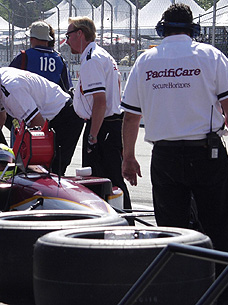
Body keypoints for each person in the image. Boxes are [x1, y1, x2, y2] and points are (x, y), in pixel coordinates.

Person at [120, 4, 228, 305]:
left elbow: (130, 117)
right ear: (193, 29)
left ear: (162, 29)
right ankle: (227, 295)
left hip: (164, 156)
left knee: (172, 230)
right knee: (219, 225)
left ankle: (179, 293)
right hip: (207, 153)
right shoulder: (210, 56)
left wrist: (128, 156)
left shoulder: (145, 61)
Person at [0, 62, 83, 176]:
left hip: (65, 119)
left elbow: (38, 126)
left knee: (52, 169)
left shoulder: (12, 88)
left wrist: (18, 156)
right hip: (50, 118)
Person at [65, 16, 131, 210]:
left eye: (68, 35)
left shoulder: (91, 59)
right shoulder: (100, 54)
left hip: (103, 125)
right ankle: (121, 218)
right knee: (109, 178)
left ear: (79, 34)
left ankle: (120, 220)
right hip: (107, 123)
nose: (66, 40)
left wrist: (93, 136)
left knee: (103, 179)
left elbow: (100, 102)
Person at [10, 21, 72, 94]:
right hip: (52, 103)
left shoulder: (24, 56)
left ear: (31, 38)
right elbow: (67, 89)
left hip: (27, 103)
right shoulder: (59, 59)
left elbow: (8, 81)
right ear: (48, 39)